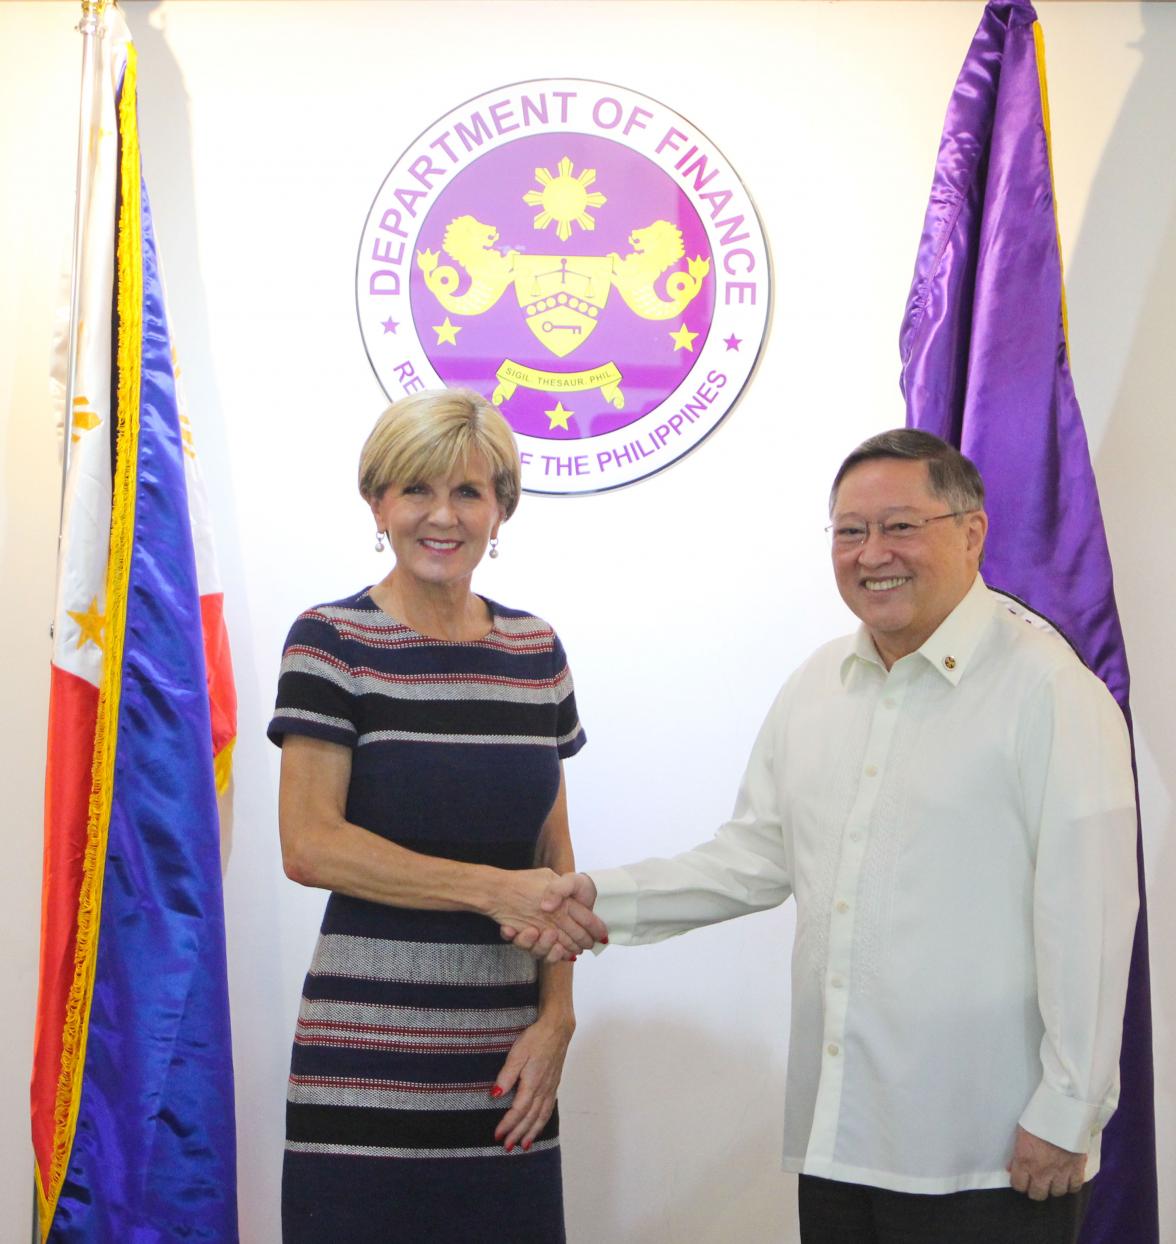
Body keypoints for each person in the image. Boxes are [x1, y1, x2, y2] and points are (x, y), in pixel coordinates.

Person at [512, 430, 1139, 1244]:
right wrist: (596, 901)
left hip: (988, 1157)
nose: (873, 553)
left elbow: (1088, 912)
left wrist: (1068, 1110)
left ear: (972, 531)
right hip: (838, 1145)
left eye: (901, 526)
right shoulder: (816, 687)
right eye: (850, 531)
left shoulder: (1050, 689)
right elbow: (754, 858)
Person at [268, 388, 587, 1244]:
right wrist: (492, 892)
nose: (441, 516)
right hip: (365, 1065)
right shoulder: (329, 642)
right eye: (416, 490)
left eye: (469, 492)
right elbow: (310, 845)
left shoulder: (535, 651)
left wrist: (556, 1019)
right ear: (378, 503)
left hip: (505, 1063)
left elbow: (551, 854)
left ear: (501, 510)